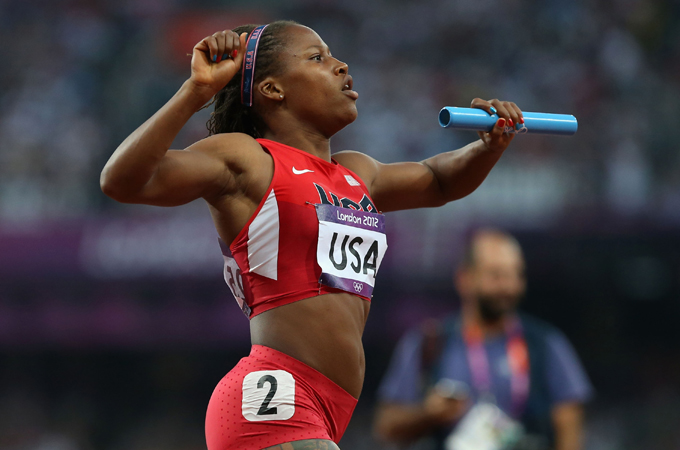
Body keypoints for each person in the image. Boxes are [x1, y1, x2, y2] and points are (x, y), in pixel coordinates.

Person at [100, 20, 525, 450]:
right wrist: (196, 91)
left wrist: (487, 147)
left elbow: (439, 181)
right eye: (317, 57)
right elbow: (124, 181)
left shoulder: (357, 172)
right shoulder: (249, 159)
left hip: (327, 409)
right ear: (273, 90)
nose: (341, 66)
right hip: (276, 395)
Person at [374, 229, 593, 450]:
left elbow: (569, 432)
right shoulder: (429, 343)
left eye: (516, 274)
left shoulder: (546, 344)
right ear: (465, 279)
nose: (509, 286)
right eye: (496, 275)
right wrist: (428, 414)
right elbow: (386, 427)